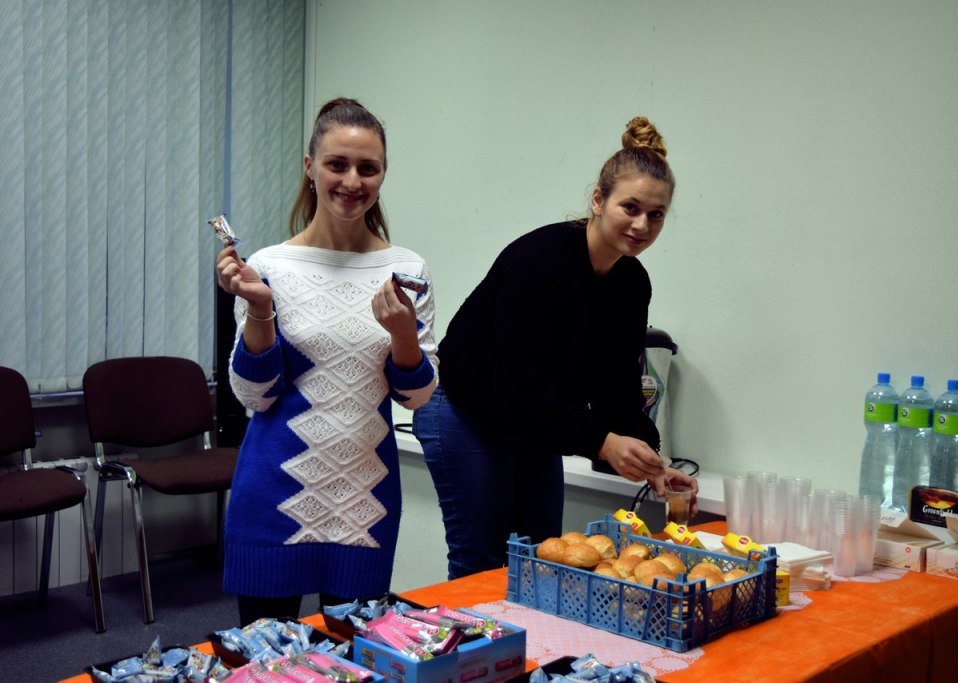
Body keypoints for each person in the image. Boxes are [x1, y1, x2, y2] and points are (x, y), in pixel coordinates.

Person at [413, 116, 699, 580]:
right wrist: (603, 442)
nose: (642, 225)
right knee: (481, 562)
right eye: (630, 207)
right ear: (598, 200)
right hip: (467, 410)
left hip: (533, 417)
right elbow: (517, 389)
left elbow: (618, 387)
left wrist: (653, 463)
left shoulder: (632, 281)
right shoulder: (539, 263)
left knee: (546, 557)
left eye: (656, 214)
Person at [216, 97, 437, 625]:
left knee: (355, 655)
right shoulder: (268, 266)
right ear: (310, 166)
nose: (352, 181)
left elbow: (416, 396)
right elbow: (254, 395)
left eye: (368, 168)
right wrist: (261, 310)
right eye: (337, 164)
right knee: (267, 660)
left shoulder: (407, 269)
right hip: (273, 496)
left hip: (365, 499)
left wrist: (402, 334)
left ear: (383, 174)